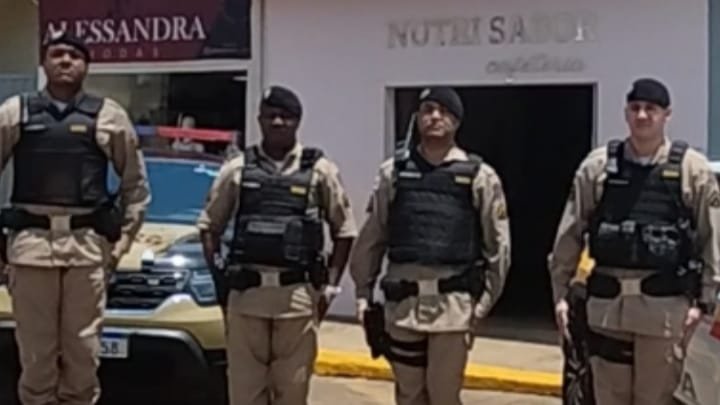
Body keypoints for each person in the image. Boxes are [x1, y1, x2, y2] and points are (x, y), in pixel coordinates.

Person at [548, 77, 720, 405]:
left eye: (651, 109)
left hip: (664, 313)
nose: (642, 115)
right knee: (608, 397)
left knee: (656, 399)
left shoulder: (692, 170)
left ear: (666, 115)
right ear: (626, 113)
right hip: (607, 310)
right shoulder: (598, 168)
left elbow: (713, 240)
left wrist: (704, 303)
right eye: (635, 108)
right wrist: (561, 295)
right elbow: (569, 235)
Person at [0, 31, 150, 405]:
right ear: (44, 62)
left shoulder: (109, 115)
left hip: (87, 252)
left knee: (83, 354)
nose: (65, 61)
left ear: (87, 66)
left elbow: (135, 187)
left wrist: (120, 247)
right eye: (57, 54)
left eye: (74, 55)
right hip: (31, 251)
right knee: (36, 357)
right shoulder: (15, 112)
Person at [350, 87, 511, 405]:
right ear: (418, 117)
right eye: (427, 109)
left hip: (453, 309)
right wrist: (363, 293)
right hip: (402, 307)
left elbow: (498, 247)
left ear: (457, 121)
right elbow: (373, 235)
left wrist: (483, 305)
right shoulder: (394, 173)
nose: (435, 117)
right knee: (408, 395)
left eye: (443, 111)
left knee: (444, 395)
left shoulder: (479, 176)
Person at [197, 85, 357, 405]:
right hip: (247, 298)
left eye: (286, 116)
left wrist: (329, 289)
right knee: (245, 394)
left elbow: (345, 231)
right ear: (259, 120)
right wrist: (221, 283)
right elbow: (209, 227)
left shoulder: (320, 171)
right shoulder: (238, 169)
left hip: (296, 299)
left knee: (292, 393)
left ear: (298, 121)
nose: (278, 122)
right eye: (270, 116)